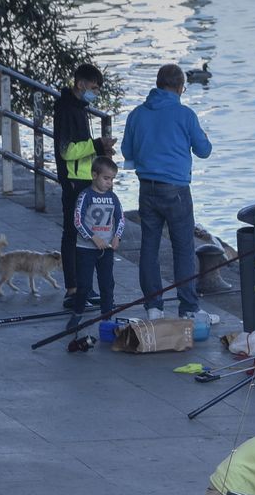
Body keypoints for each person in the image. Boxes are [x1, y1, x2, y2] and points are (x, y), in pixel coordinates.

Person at [121, 64, 212, 320]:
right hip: (176, 190)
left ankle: (153, 307)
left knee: (149, 247)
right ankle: (189, 308)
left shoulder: (137, 114)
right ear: (180, 87)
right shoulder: (185, 115)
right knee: (183, 248)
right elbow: (204, 150)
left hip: (146, 188)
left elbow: (127, 152)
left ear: (158, 84)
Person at [54, 63, 112, 308]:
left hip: (83, 177)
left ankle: (84, 286)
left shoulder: (79, 107)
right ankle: (73, 289)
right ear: (80, 84)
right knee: (72, 233)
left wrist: (98, 153)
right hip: (73, 180)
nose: (95, 93)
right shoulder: (67, 109)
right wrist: (97, 145)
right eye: (94, 88)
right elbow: (67, 151)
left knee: (83, 233)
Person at [67, 157, 124, 336]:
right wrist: (92, 237)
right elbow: (77, 220)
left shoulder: (113, 197)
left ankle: (107, 317)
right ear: (94, 175)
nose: (109, 183)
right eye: (106, 178)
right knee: (84, 285)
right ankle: (77, 313)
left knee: (107, 284)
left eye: (112, 179)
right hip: (86, 249)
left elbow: (120, 219)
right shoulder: (85, 196)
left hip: (106, 249)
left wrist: (117, 237)